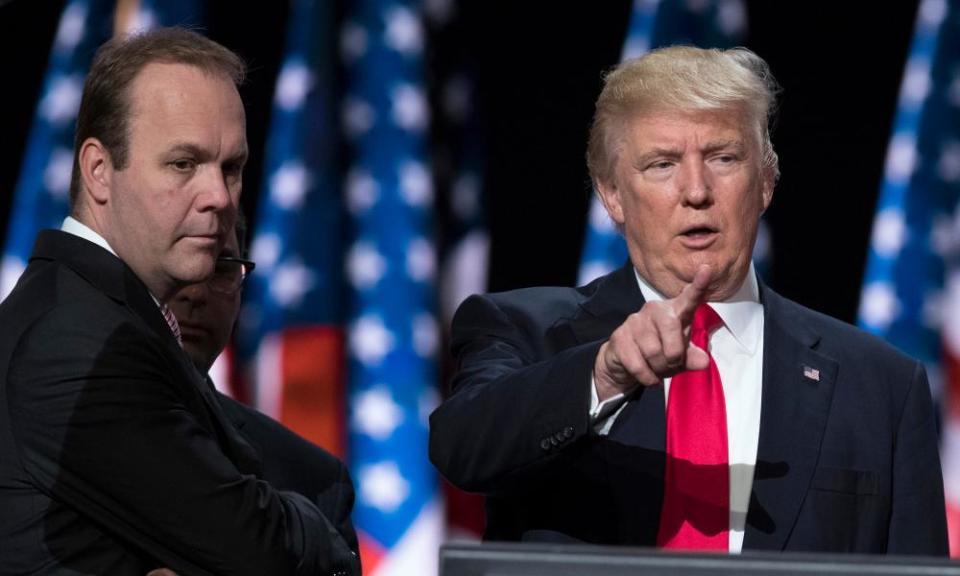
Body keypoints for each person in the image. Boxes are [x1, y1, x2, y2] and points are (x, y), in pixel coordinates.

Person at [429, 46, 948, 555]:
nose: (696, 190)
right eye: (662, 164)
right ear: (612, 194)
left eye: (724, 158)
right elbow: (461, 448)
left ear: (766, 182)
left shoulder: (883, 388)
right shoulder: (523, 330)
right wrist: (602, 374)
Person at [0, 28, 358, 575]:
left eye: (231, 168)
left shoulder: (96, 319)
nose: (218, 197)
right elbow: (259, 553)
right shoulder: (79, 342)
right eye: (184, 164)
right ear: (98, 170)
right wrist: (314, 529)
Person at [166, 215, 360, 566]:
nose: (195, 293)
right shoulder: (56, 424)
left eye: (221, 269)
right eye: (176, 263)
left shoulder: (314, 479)